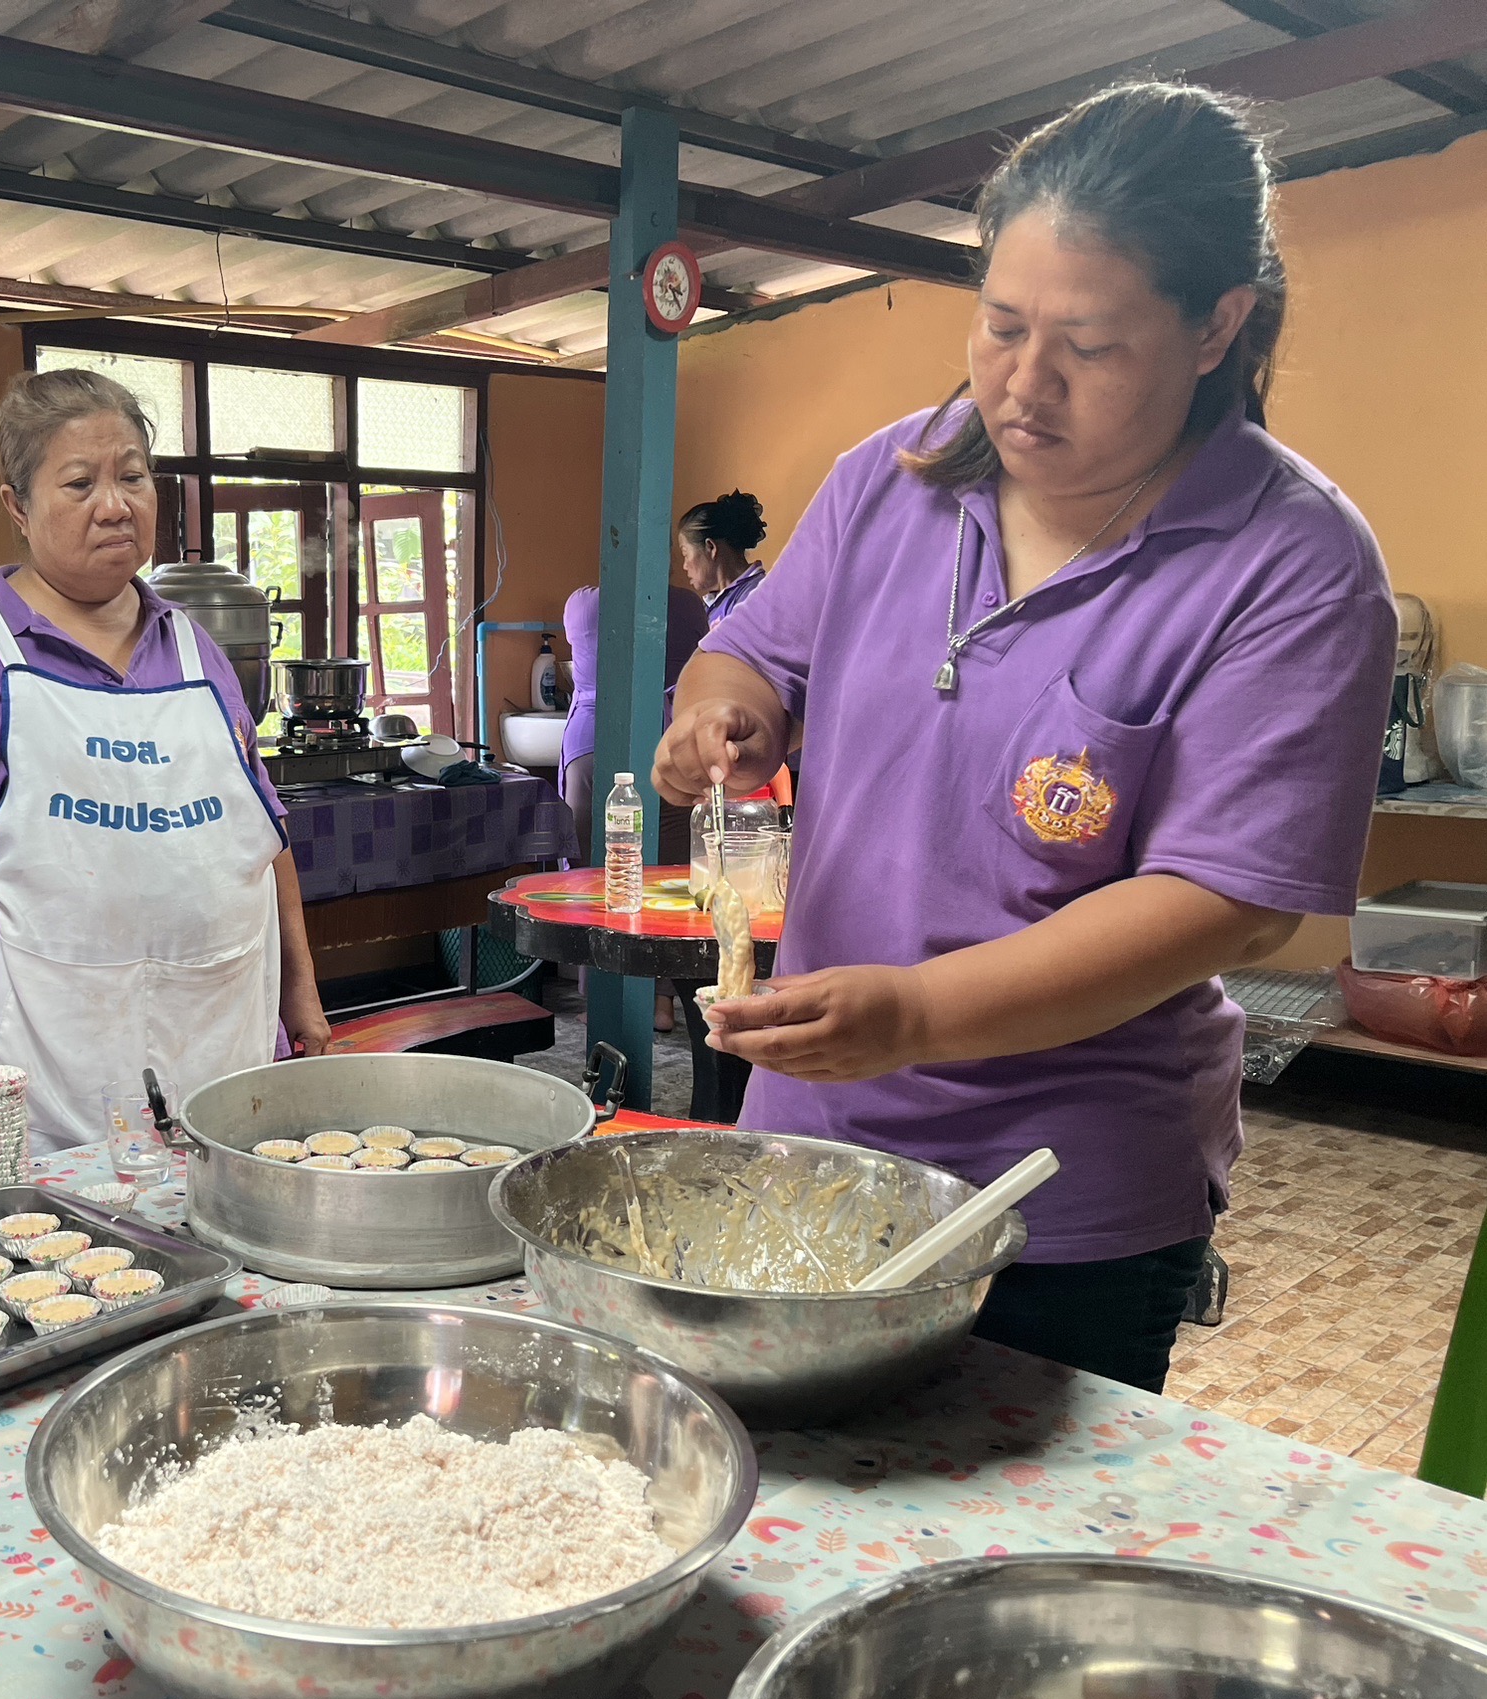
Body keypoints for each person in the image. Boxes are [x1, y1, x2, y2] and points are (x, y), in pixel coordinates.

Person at [654, 83, 1395, 1393]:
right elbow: (753, 649)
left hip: (1054, 1200)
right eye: (998, 325)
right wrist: (721, 710)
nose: (1020, 384)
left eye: (1090, 345)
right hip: (811, 1139)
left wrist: (919, 1011)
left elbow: (1220, 903)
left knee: (986, 1576)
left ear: (1217, 323)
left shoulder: (1294, 568)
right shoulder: (894, 475)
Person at [0, 368, 328, 1153]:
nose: (114, 505)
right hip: (51, 1051)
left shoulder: (194, 650)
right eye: (79, 483)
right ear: (16, 506)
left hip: (221, 1029)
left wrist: (303, 1000)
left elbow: (263, 841)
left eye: (133, 477)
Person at [558, 556, 706, 1032]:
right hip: (666, 743)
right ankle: (661, 1001)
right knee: (666, 876)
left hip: (592, 746)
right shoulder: (688, 606)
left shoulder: (581, 606)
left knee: (594, 872)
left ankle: (597, 994)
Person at [679, 491, 769, 627]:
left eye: (686, 554)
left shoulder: (755, 597)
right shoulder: (713, 604)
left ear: (710, 547)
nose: (684, 566)